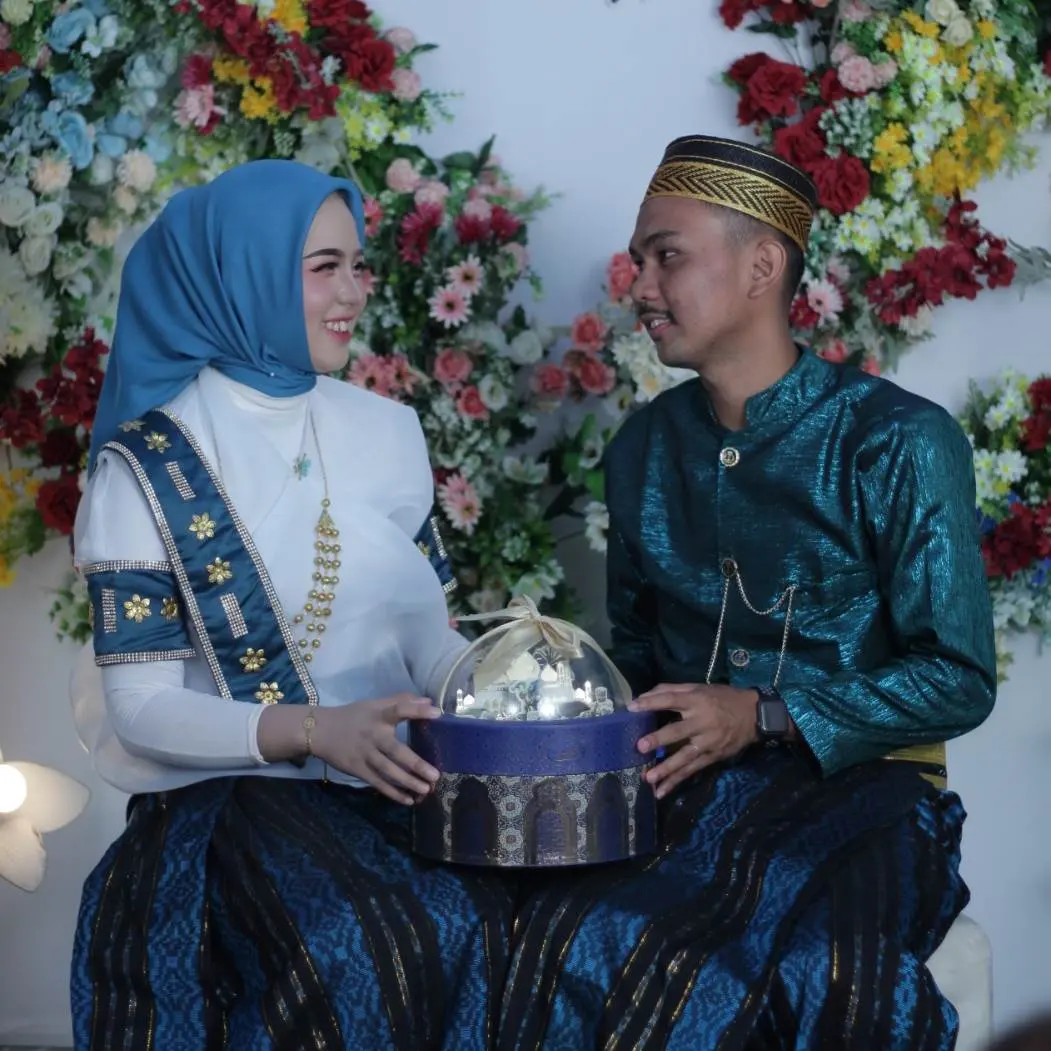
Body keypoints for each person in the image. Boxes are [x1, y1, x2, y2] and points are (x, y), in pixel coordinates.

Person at [497, 136, 996, 1049]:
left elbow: (957, 678)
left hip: (869, 796)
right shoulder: (643, 448)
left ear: (762, 266)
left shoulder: (896, 439)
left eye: (667, 256)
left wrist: (765, 714)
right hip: (688, 792)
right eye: (639, 260)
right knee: (559, 932)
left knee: (823, 972)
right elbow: (636, 655)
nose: (640, 286)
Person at [69, 160, 511, 1051]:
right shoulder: (147, 465)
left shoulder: (386, 432)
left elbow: (426, 635)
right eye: (323, 268)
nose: (353, 292)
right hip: (227, 812)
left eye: (358, 264)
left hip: (391, 787)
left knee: (530, 917)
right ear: (243, 275)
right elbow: (140, 707)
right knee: (374, 941)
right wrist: (314, 729)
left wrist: (508, 681)